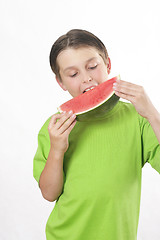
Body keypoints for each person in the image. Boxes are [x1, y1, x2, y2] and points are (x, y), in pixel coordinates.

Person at [33, 29, 160, 240]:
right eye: (73, 74)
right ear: (61, 82)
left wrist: (152, 115)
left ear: (108, 64)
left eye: (92, 66)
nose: (87, 78)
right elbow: (49, 193)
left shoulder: (137, 119)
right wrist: (57, 149)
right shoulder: (55, 128)